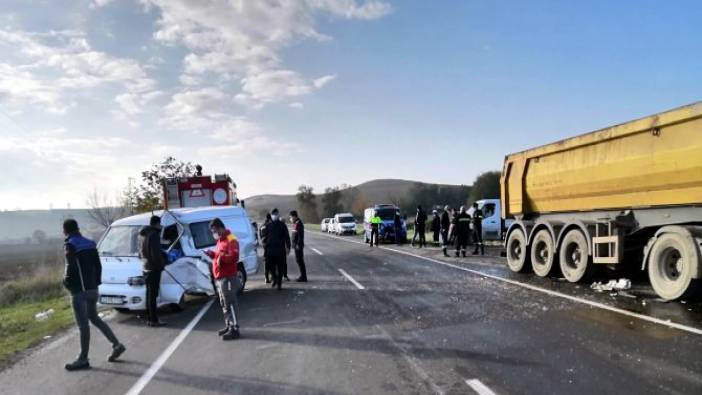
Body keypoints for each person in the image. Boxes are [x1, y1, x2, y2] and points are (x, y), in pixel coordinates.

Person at [62, 219, 125, 371]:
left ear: (65, 230)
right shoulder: (90, 243)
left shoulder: (70, 245)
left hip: (79, 291)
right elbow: (98, 265)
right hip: (92, 289)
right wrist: (96, 283)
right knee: (94, 318)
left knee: (84, 325)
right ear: (77, 228)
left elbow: (70, 267)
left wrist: (67, 283)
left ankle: (83, 359)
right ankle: (117, 345)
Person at [205, 218, 241, 340]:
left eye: (215, 230)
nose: (214, 233)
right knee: (224, 302)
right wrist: (212, 255)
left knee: (230, 302)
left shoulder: (231, 238)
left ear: (220, 227)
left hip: (228, 276)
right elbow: (219, 255)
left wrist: (221, 258)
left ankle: (235, 328)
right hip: (220, 277)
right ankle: (229, 324)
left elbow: (234, 256)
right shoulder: (220, 241)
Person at [139, 215, 167, 327]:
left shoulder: (142, 235)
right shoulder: (154, 235)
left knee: (148, 294)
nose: (160, 226)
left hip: (145, 266)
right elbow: (156, 253)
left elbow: (141, 252)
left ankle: (150, 318)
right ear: (156, 223)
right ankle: (154, 320)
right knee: (153, 295)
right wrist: (161, 264)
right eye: (159, 224)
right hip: (153, 268)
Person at [262, 208, 291, 290]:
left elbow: (287, 237)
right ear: (271, 215)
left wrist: (288, 247)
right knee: (270, 267)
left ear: (278, 215)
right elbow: (264, 239)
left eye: (276, 214)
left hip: (280, 250)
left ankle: (279, 283)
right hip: (270, 251)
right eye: (273, 214)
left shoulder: (283, 225)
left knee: (280, 267)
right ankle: (274, 278)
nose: (275, 215)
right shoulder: (267, 226)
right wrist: (264, 248)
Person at [289, 210, 308, 282]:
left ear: (294, 216)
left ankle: (303, 277)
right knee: (299, 260)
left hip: (298, 246)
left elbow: (300, 236)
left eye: (291, 217)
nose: (290, 218)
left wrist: (298, 244)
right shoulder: (295, 223)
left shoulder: (299, 223)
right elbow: (294, 234)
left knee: (300, 260)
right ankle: (303, 276)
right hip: (296, 245)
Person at [260, 213, 273, 283]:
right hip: (270, 246)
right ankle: (272, 276)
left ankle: (266, 278)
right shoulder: (270, 225)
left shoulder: (262, 226)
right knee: (272, 262)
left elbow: (260, 236)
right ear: (270, 218)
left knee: (266, 263)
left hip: (264, 246)